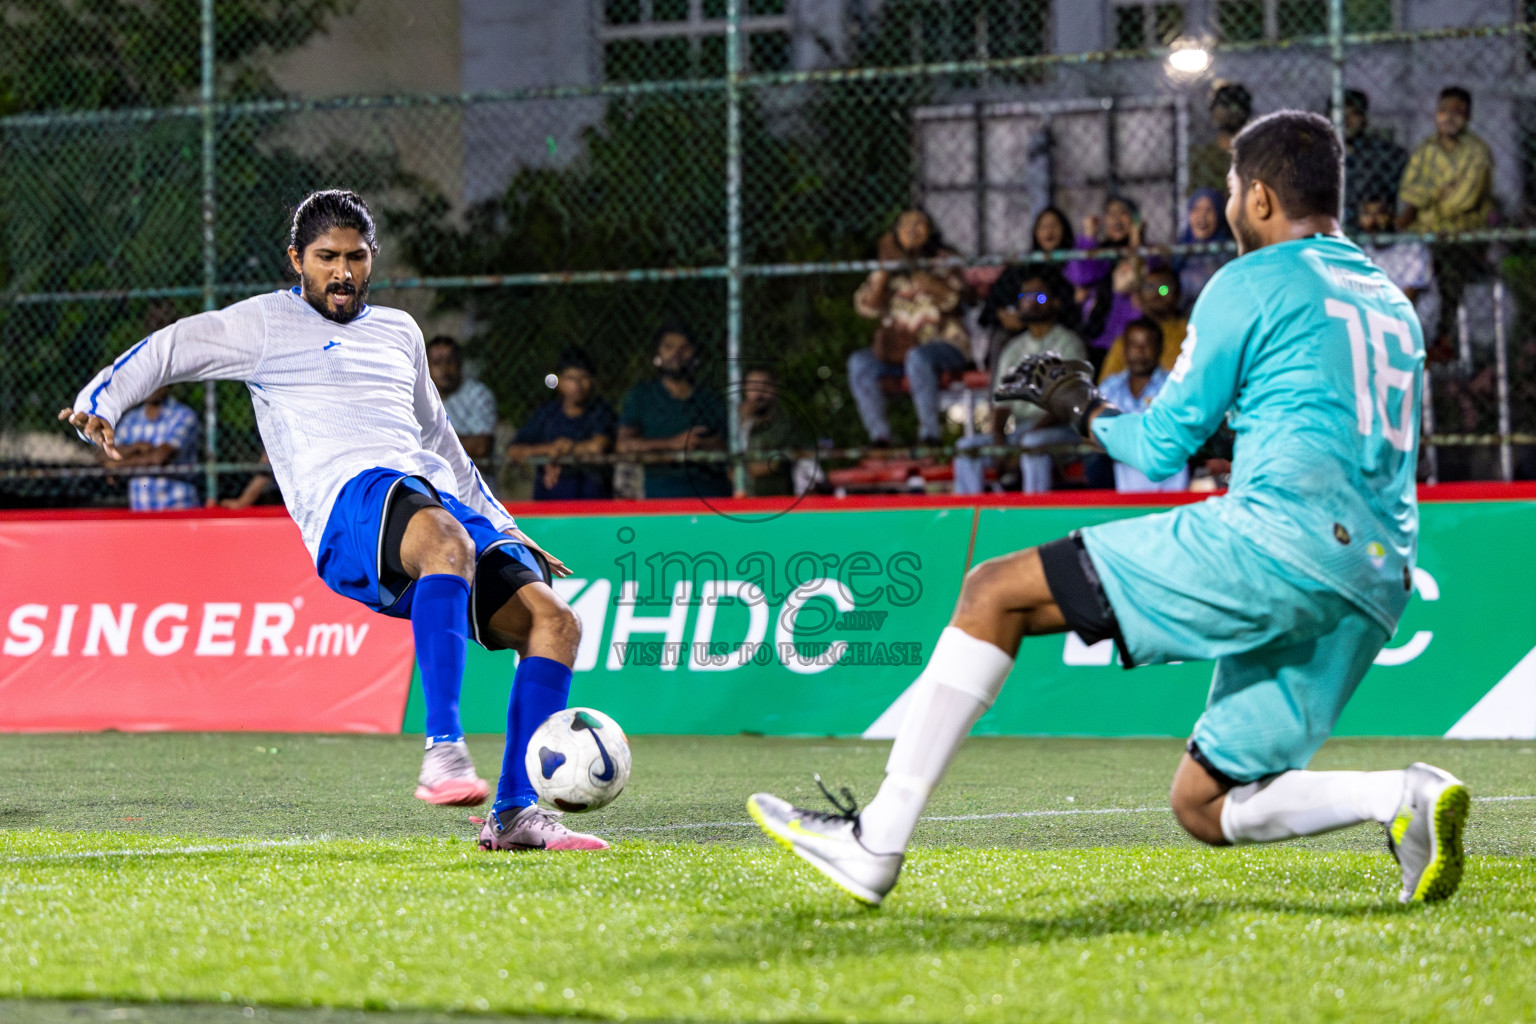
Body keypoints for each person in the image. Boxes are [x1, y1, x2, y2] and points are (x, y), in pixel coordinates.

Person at [748, 111, 1468, 911]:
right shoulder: (1389, 300)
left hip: (1278, 541)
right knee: (1202, 803)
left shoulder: (1251, 280)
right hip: (1373, 581)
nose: (1229, 207)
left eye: (1232, 191)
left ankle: (876, 840)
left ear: (1259, 198)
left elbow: (1161, 447)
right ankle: (1397, 798)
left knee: (993, 592)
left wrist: (1082, 406)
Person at [62, 190, 606, 853]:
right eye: (326, 258)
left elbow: (441, 443)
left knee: (555, 622)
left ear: (372, 258)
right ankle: (443, 750)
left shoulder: (400, 331)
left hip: (425, 499)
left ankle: (516, 814)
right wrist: (103, 399)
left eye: (355, 257)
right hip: (347, 508)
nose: (342, 272)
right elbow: (174, 347)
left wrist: (505, 523)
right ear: (298, 259)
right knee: (447, 540)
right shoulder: (264, 324)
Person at [955, 269, 1087, 494]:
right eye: (1025, 297)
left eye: (1040, 297)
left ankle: (1033, 519)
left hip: (1062, 430)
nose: (1031, 302)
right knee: (967, 448)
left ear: (1055, 303)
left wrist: (1019, 444)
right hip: (1021, 432)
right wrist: (1000, 443)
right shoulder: (1013, 349)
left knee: (1032, 444)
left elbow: (1066, 406)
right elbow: (1001, 405)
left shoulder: (1068, 343)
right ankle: (968, 518)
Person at [847, 209, 971, 446]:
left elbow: (953, 298)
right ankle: (880, 437)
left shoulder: (944, 259)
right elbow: (866, 307)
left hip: (944, 346)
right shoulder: (886, 268)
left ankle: (930, 435)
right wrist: (885, 269)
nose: (913, 229)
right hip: (897, 351)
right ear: (896, 233)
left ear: (930, 231)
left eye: (920, 224)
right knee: (859, 363)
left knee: (917, 357)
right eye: (906, 225)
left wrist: (913, 268)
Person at [1397, 86, 1493, 352]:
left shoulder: (1478, 152)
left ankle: (1442, 338)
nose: (1448, 117)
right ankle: (1401, 336)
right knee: (1405, 270)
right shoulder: (1425, 149)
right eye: (1443, 111)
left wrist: (1428, 197)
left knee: (1449, 270)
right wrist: (1440, 191)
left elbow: (1465, 199)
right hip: (1424, 233)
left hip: (1461, 233)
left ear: (1468, 116)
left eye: (1457, 112)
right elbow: (1408, 191)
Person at [617, 323, 730, 498]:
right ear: (657, 355)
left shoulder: (710, 399)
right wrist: (673, 444)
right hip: (663, 497)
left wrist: (701, 443)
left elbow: (728, 445)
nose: (677, 354)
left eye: (684, 348)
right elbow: (624, 445)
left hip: (712, 495)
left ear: (694, 355)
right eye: (668, 347)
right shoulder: (642, 396)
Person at [506, 348, 616, 501]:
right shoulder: (547, 413)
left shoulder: (601, 411)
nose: (577, 385)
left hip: (591, 499)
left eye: (583, 378)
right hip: (550, 499)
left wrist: (568, 448)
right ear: (559, 381)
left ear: (592, 381)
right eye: (571, 378)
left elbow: (598, 446)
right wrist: (550, 449)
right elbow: (514, 450)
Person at [1098, 318, 1189, 492]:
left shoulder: (1173, 385)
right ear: (1124, 350)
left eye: (1147, 345)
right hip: (1121, 472)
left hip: (1168, 476)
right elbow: (1093, 429)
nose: (1140, 351)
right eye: (1134, 345)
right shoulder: (1110, 387)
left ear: (1160, 349)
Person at [1065, 195, 1145, 363]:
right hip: (1097, 334)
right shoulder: (1099, 251)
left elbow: (1132, 280)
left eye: (1123, 213)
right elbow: (1081, 276)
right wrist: (1088, 237)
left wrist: (1135, 242)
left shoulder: (1148, 253)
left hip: (1127, 331)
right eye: (1111, 214)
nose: (1116, 220)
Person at [103, 385, 201, 511]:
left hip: (178, 508)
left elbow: (159, 458)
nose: (149, 386)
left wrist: (118, 465)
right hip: (141, 510)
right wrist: (135, 447)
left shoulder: (183, 415)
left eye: (155, 381)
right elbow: (105, 454)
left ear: (168, 384)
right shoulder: (131, 419)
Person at [1358, 194, 1434, 336]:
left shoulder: (1411, 246)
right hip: (1374, 323)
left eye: (1379, 213)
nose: (1373, 221)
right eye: (1367, 214)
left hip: (1409, 325)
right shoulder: (1361, 251)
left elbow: (1407, 300)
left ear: (1391, 215)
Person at [1096, 266, 1188, 381]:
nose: (1156, 294)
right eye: (1149, 287)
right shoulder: (1128, 337)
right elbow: (1106, 384)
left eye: (1164, 288)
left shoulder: (1189, 333)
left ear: (1178, 294)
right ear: (1139, 295)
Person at [1340, 89, 1408, 232]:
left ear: (1364, 118)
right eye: (1340, 114)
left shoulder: (1388, 155)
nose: (1346, 120)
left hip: (1375, 233)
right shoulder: (1317, 158)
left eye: (1353, 114)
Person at [736, 367, 809, 498]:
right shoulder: (736, 423)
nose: (759, 391)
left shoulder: (787, 425)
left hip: (777, 498)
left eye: (765, 385)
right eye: (753, 386)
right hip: (741, 500)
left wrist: (746, 471)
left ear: (774, 389)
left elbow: (784, 460)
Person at [426, 335, 498, 461]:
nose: (444, 369)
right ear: (426, 367)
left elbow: (481, 447)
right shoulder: (416, 398)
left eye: (450, 361)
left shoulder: (478, 394)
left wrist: (428, 443)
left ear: (459, 363)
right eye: (437, 362)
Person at [1173, 188, 1234, 310]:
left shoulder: (1230, 253)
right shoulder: (1178, 251)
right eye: (1196, 209)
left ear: (1220, 214)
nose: (1202, 216)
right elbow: (1164, 289)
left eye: (1209, 210)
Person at [1188, 81, 1252, 194]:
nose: (1231, 112)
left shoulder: (1254, 156)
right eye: (1224, 105)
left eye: (1235, 105)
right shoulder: (1202, 157)